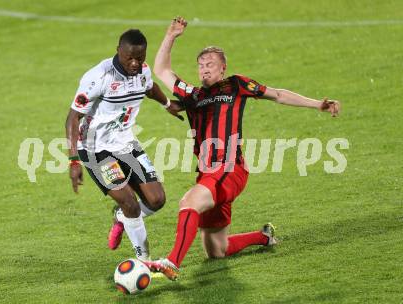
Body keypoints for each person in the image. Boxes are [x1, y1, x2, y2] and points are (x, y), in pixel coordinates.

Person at [145, 17, 340, 280]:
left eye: (210, 64)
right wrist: (171, 35)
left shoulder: (235, 85)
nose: (205, 69)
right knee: (216, 250)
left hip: (229, 169)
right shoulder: (192, 96)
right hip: (208, 174)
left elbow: (278, 94)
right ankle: (264, 237)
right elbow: (162, 70)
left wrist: (317, 104)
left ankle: (171, 262)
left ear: (223, 68)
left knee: (188, 202)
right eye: (201, 65)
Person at [65, 29, 183, 261]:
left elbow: (149, 88)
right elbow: (72, 118)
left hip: (126, 144)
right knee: (131, 204)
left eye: (139, 58)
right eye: (129, 57)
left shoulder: (142, 71)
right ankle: (144, 260)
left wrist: (168, 104)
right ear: (118, 51)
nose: (134, 63)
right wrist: (73, 160)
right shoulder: (98, 77)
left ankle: (120, 218)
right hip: (95, 150)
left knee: (156, 200)